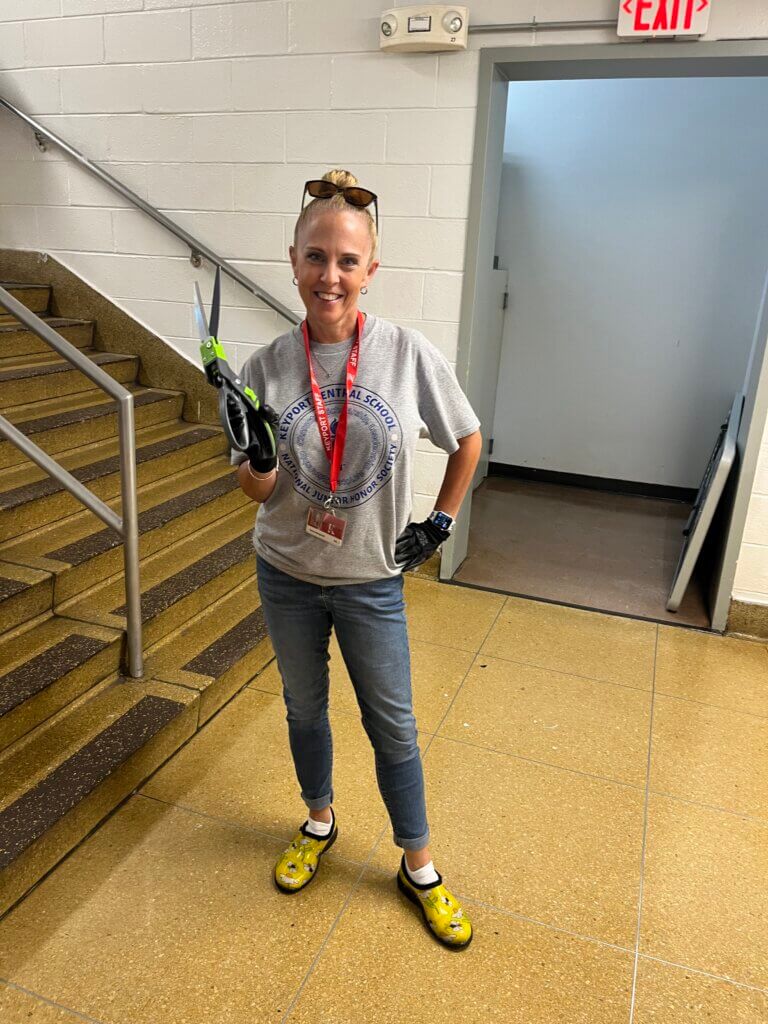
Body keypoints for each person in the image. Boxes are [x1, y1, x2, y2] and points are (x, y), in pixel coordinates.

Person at [232, 169, 482, 949]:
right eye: (315, 257)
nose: (329, 275)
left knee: (393, 725)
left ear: (371, 268)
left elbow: (468, 438)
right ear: (293, 261)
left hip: (371, 579)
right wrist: (259, 456)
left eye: (346, 260)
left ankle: (419, 866)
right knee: (303, 708)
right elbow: (255, 489)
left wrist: (439, 523)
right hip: (286, 573)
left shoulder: (405, 354)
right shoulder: (264, 367)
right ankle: (319, 821)